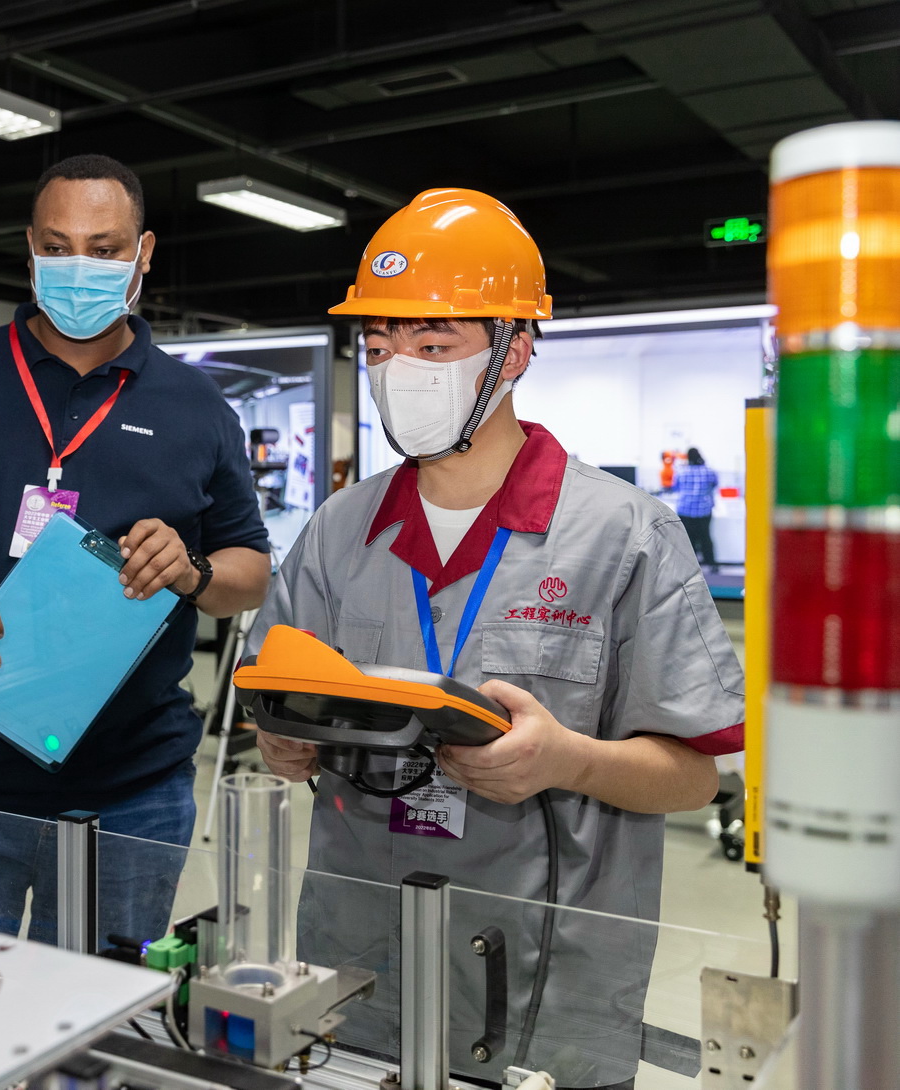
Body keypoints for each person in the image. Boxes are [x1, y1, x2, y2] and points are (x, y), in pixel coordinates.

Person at [249, 189, 744, 1089]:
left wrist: (566, 760)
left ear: (512, 351)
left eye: (433, 346)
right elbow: (277, 701)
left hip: (541, 987)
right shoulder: (337, 531)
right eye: (378, 346)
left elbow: (693, 775)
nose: (398, 370)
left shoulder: (623, 536)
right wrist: (283, 742)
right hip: (360, 971)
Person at [0, 153, 271, 945]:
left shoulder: (197, 407)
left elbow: (249, 569)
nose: (79, 269)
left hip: (129, 793)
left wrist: (192, 570)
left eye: (104, 250)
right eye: (57, 246)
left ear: (143, 253)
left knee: (98, 1015)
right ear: (30, 249)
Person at [673, 447, 719, 567]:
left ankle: (689, 566)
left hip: (685, 510)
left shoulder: (681, 472)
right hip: (704, 510)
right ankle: (711, 564)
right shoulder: (709, 471)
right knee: (705, 538)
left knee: (688, 539)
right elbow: (714, 485)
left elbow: (675, 487)